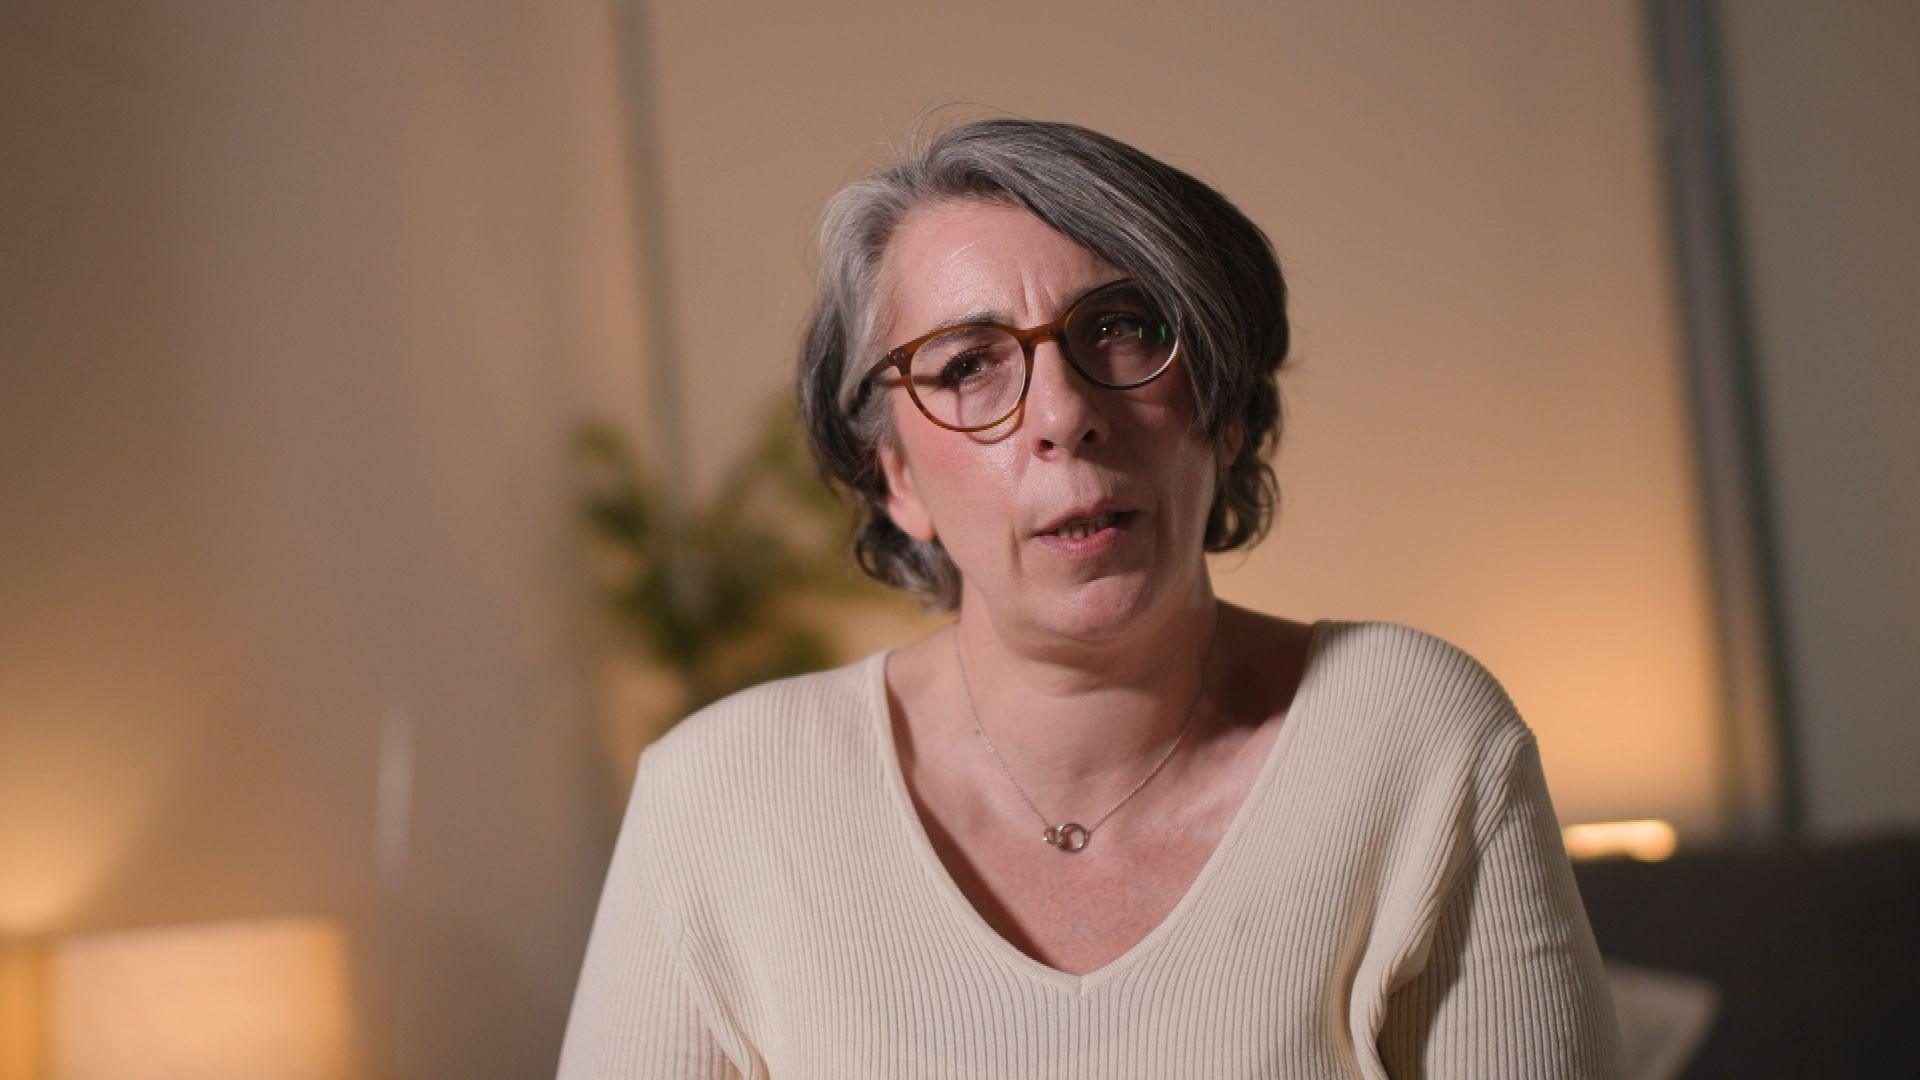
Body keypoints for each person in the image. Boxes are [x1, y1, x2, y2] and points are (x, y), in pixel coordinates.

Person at [557, 118, 1622, 1078]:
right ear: (897, 480)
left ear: (1224, 410)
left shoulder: (1413, 736)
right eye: (967, 365)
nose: (1063, 413)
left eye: (1120, 327)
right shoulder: (720, 798)